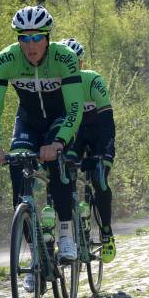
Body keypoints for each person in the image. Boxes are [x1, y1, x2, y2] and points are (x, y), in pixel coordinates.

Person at [0, 6, 84, 290]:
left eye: (37, 37)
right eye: (23, 38)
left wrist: (59, 142)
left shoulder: (64, 58)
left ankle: (65, 233)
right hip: (27, 122)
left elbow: (75, 107)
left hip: (60, 120)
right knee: (19, 183)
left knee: (57, 167)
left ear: (48, 37)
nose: (30, 45)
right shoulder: (5, 60)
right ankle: (35, 259)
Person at [61, 38, 116, 264]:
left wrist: (101, 155)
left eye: (75, 63)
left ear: (81, 64)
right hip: (76, 137)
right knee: (63, 172)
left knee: (99, 178)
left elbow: (107, 121)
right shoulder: (58, 87)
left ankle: (106, 231)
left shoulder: (93, 81)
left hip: (99, 134)